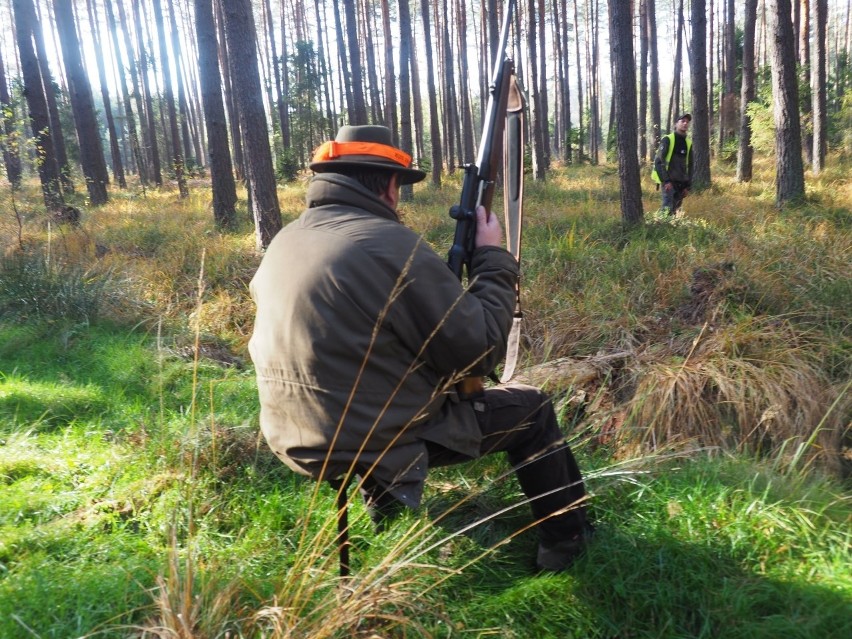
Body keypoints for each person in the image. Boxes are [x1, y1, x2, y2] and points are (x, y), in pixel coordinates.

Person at [248, 124, 593, 572]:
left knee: (375, 394)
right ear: (390, 186)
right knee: (533, 410)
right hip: (366, 434)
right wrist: (491, 258)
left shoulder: (289, 238)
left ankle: (390, 526)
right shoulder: (386, 244)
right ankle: (567, 542)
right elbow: (480, 350)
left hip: (294, 430)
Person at [653, 113, 693, 216]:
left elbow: (690, 165)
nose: (685, 124)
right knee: (667, 209)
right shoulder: (668, 139)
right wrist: (666, 181)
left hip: (681, 183)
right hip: (669, 182)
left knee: (676, 210)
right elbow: (658, 161)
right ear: (676, 123)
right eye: (682, 121)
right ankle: (660, 228)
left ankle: (670, 229)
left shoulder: (688, 143)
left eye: (687, 122)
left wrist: (687, 186)